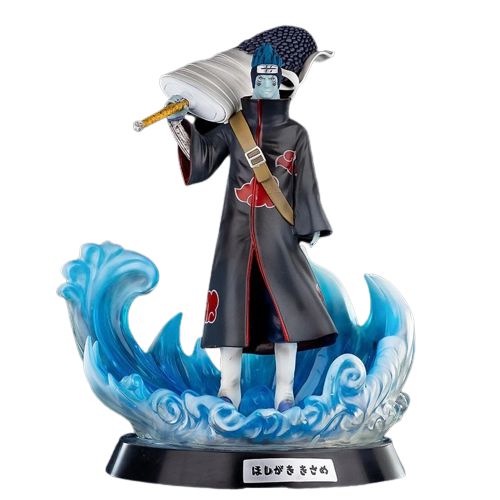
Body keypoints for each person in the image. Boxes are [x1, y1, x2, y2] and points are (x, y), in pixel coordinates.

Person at [166, 43, 337, 411]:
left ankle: (285, 393)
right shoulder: (234, 127)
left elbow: (306, 184)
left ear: (282, 83)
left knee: (287, 317)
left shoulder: (295, 133)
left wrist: (310, 225)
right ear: (252, 80)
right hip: (236, 237)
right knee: (232, 315)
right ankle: (228, 390)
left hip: (279, 238)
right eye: (260, 78)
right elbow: (203, 157)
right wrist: (178, 124)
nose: (266, 85)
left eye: (272, 78)